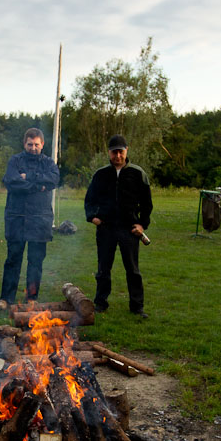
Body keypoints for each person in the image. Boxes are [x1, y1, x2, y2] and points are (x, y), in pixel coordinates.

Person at [83, 135, 153, 318]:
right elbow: (89, 200)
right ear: (109, 152)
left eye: (121, 151)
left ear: (126, 151)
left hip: (129, 229)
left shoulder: (138, 174)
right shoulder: (101, 174)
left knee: (133, 269)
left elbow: (147, 203)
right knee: (103, 269)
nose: (118, 155)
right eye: (114, 152)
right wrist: (92, 217)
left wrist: (142, 225)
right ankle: (100, 303)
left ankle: (137, 306)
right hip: (106, 228)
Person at [0, 128, 59, 310]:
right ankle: (6, 299)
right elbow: (11, 182)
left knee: (35, 262)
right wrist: (39, 186)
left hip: (40, 221)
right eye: (29, 144)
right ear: (24, 144)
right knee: (13, 260)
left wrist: (28, 177)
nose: (33, 148)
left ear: (42, 144)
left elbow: (53, 180)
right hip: (17, 219)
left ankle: (32, 299)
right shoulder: (15, 161)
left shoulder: (49, 163)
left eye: (36, 144)